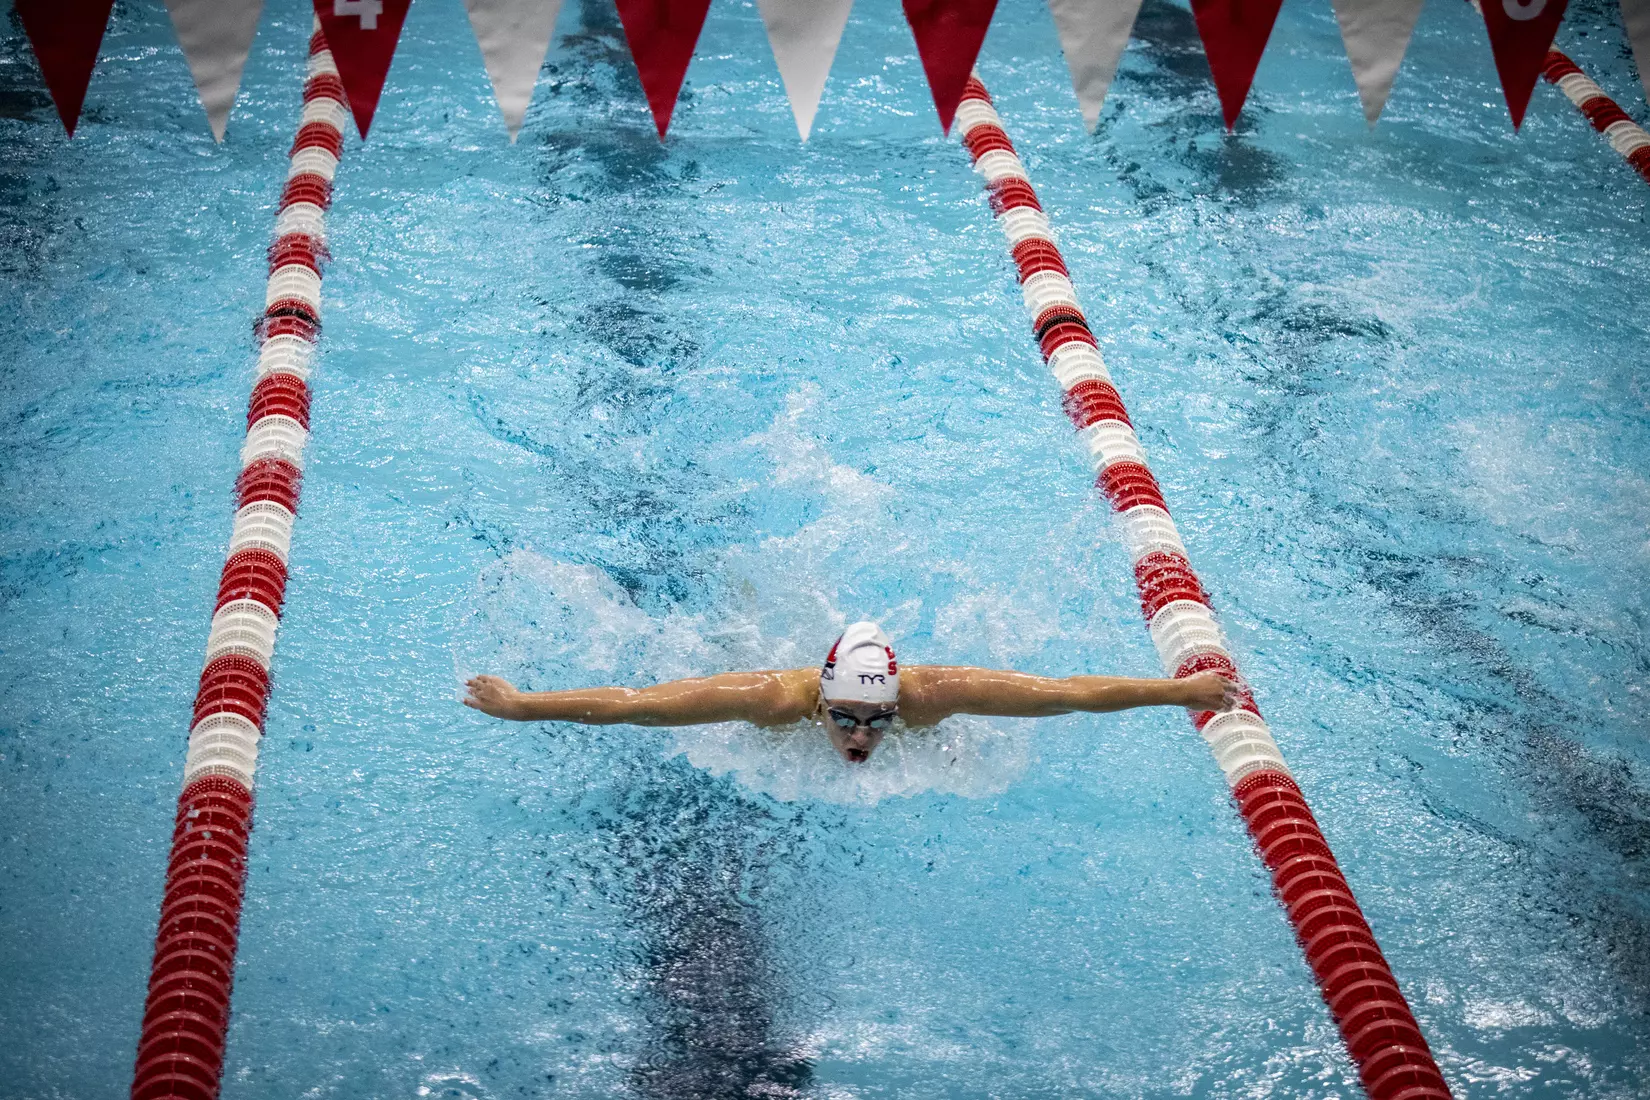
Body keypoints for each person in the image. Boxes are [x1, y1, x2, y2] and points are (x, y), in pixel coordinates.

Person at [463, 621, 1240, 765]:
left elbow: (1064, 694)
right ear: (819, 701)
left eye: (878, 719)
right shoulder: (775, 699)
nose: (861, 736)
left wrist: (1183, 691)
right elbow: (639, 703)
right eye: (844, 718)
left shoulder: (932, 696)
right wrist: (523, 704)